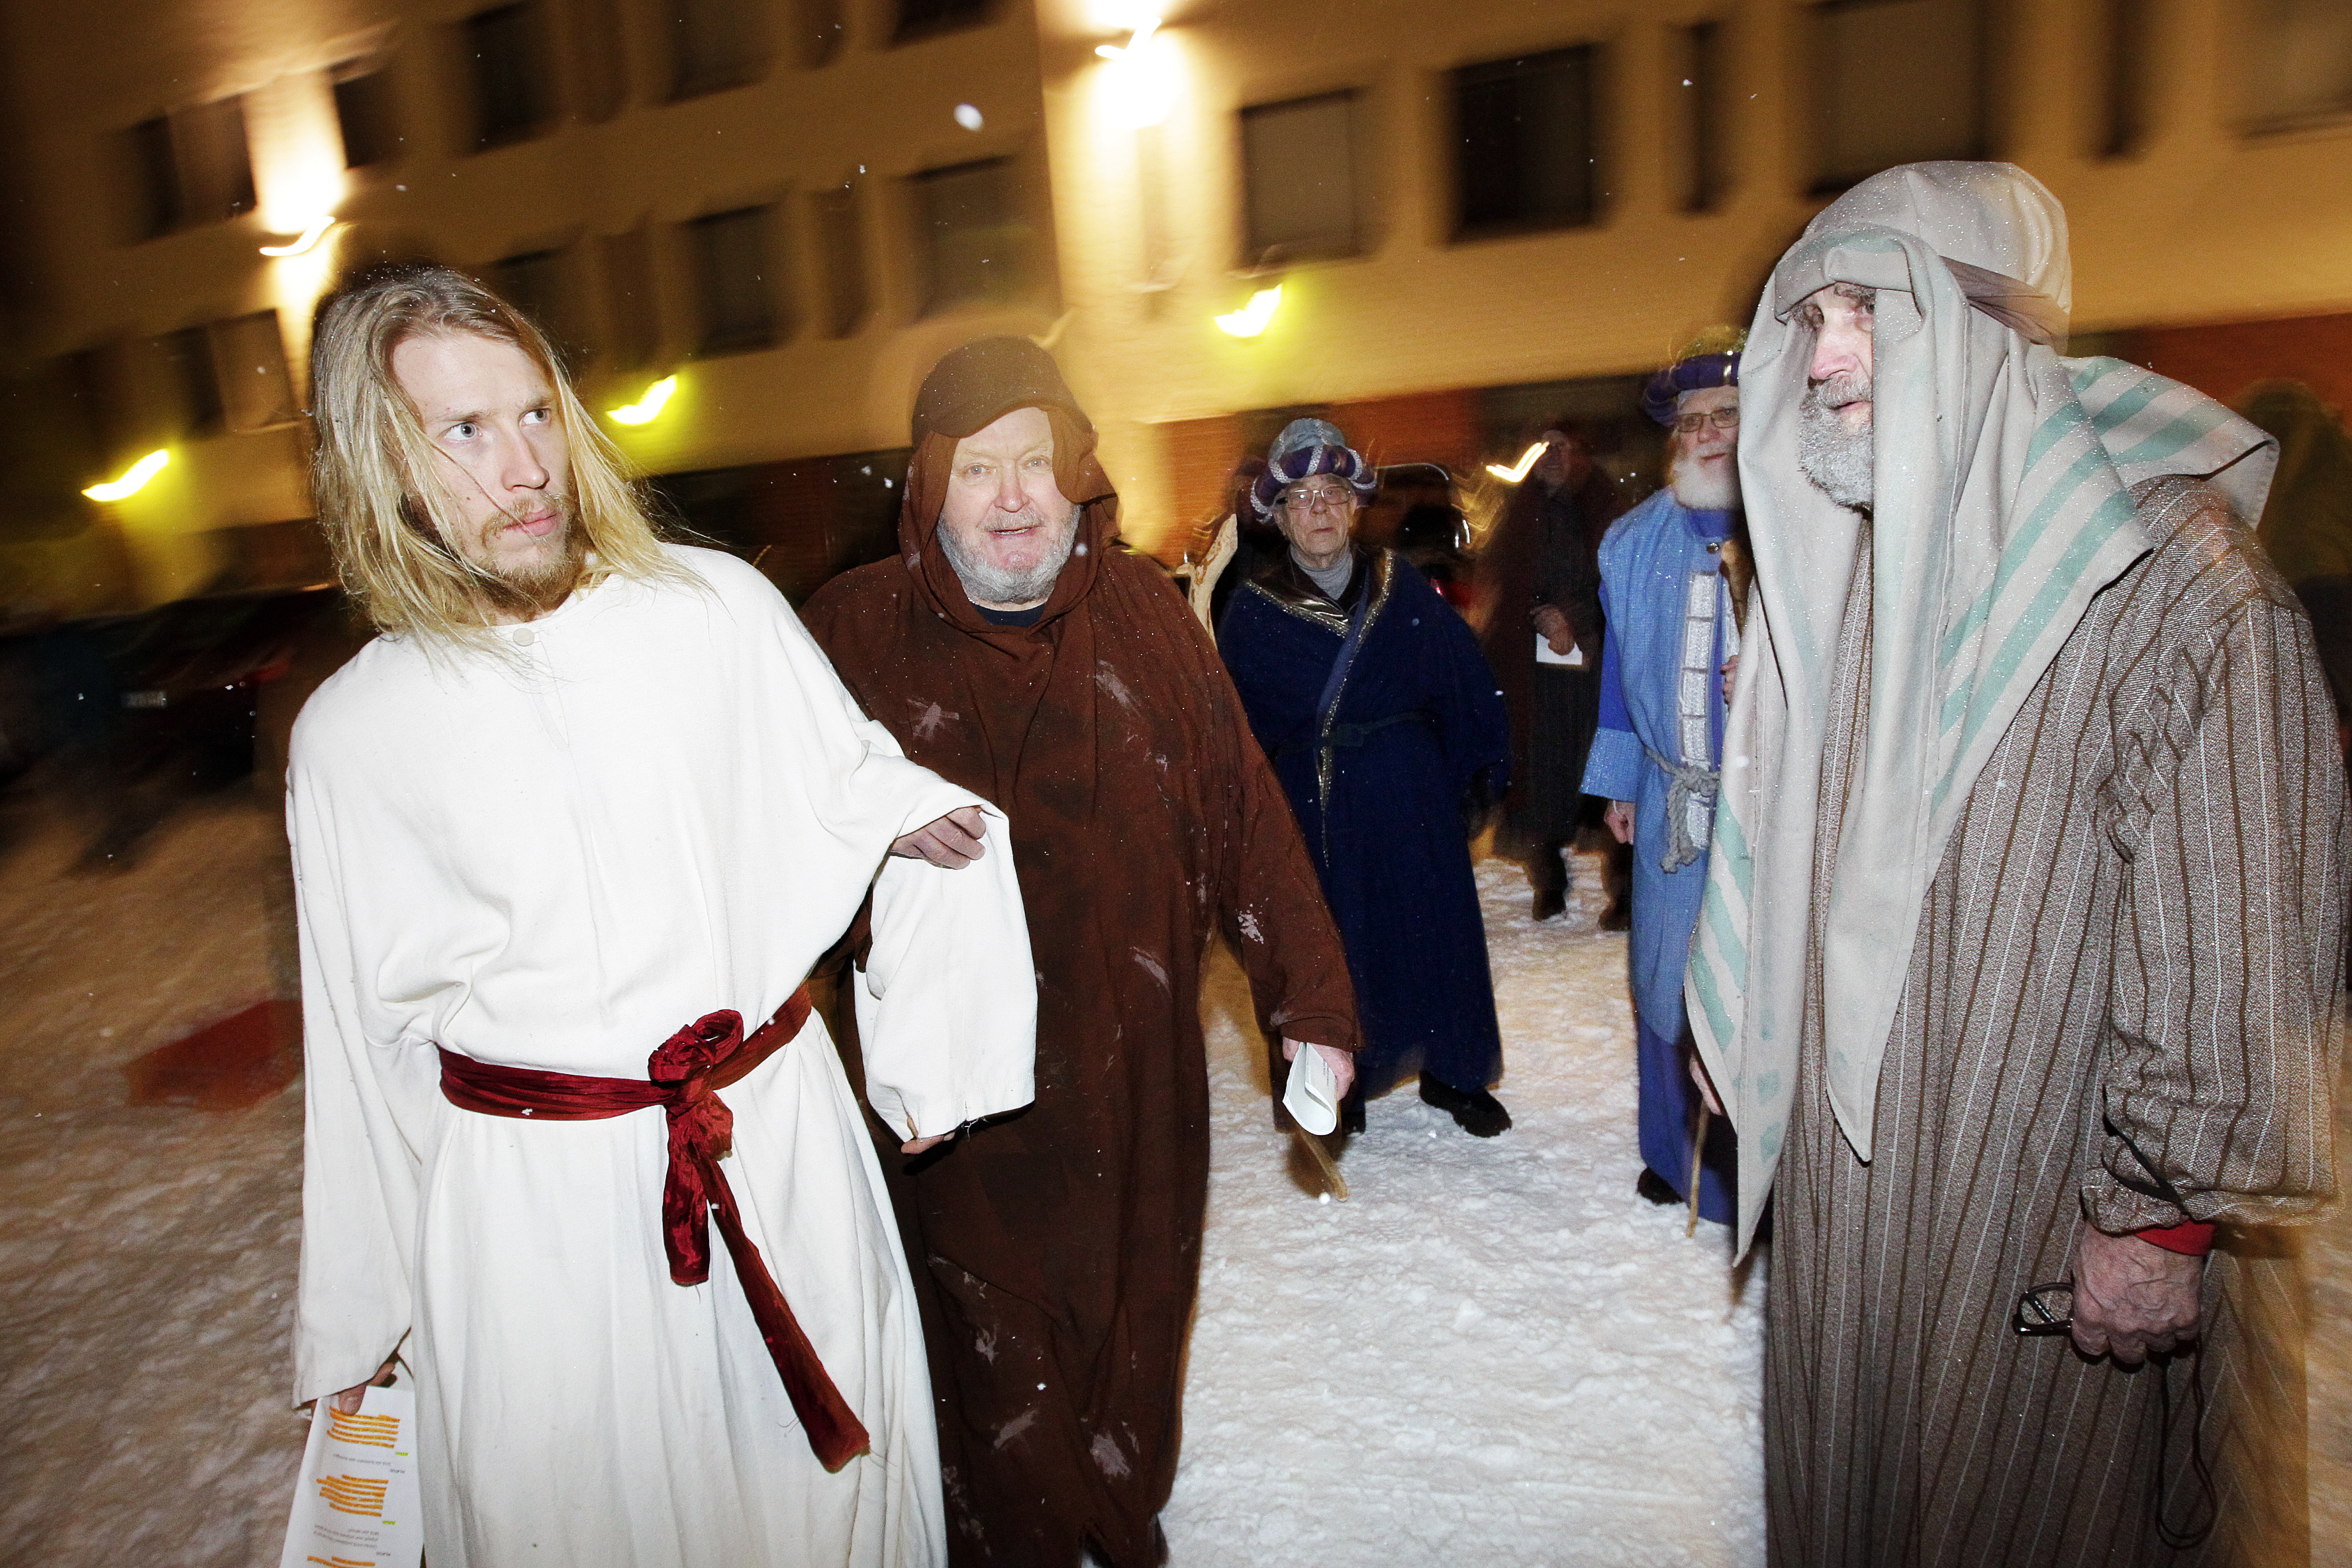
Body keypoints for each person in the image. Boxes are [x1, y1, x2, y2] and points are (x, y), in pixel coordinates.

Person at [288, 266, 1038, 1568]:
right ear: (383, 464)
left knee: (818, 1518)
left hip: (773, 1145)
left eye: (534, 414)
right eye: (463, 431)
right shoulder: (356, 733)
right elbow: (362, 1054)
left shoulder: (712, 610)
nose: (523, 464)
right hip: (536, 1224)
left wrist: (900, 825)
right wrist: (368, 1322)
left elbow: (843, 779)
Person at [1685, 163, 2346, 1565]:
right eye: (1813, 311)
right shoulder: (1845, 560)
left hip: (2041, 1195)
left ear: (1991, 332)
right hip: (1859, 1203)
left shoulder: (2175, 583)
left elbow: (2238, 943)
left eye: (1874, 307)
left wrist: (2160, 1219)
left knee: (2028, 1513)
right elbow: (1785, 825)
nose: (1829, 350)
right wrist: (1742, 1011)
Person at [799, 338, 1359, 1568]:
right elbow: (763, 849)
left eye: (1038, 464)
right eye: (979, 468)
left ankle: (1118, 1504)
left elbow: (1243, 811)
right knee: (999, 1371)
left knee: (1132, 1335)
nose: (1013, 498)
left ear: (1079, 480)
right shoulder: (849, 636)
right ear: (928, 487)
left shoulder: (1149, 621)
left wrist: (1306, 997)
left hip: (1135, 1069)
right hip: (958, 1111)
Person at [1216, 418, 1512, 1136]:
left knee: (1436, 934)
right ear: (1278, 517)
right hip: (1316, 807)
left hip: (1411, 798)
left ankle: (1455, 1070)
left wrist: (1465, 778)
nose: (1318, 509)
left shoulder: (1400, 586)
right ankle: (1333, 1084)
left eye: (1333, 493)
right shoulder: (1252, 614)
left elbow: (1460, 680)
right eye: (1300, 497)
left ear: (1354, 506)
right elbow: (1234, 736)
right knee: (1331, 945)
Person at [1581, 346, 1743, 1220]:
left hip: (1772, 814)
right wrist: (1621, 783)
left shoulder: (1802, 528)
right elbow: (1616, 676)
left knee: (1758, 985)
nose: (1708, 433)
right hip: (1672, 792)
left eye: (1725, 414)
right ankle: (1669, 1153)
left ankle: (1746, 1175)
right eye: (1692, 421)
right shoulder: (1630, 541)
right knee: (1664, 978)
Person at [1474, 421, 1628, 921]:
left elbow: (1620, 581)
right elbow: (1503, 580)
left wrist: (1575, 618)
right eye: (1545, 448)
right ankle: (1549, 881)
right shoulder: (1523, 515)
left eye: (1564, 447)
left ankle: (1624, 891)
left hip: (1593, 674)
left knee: (1601, 773)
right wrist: (1536, 614)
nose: (1555, 457)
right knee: (1540, 775)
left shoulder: (1605, 510)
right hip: (1535, 678)